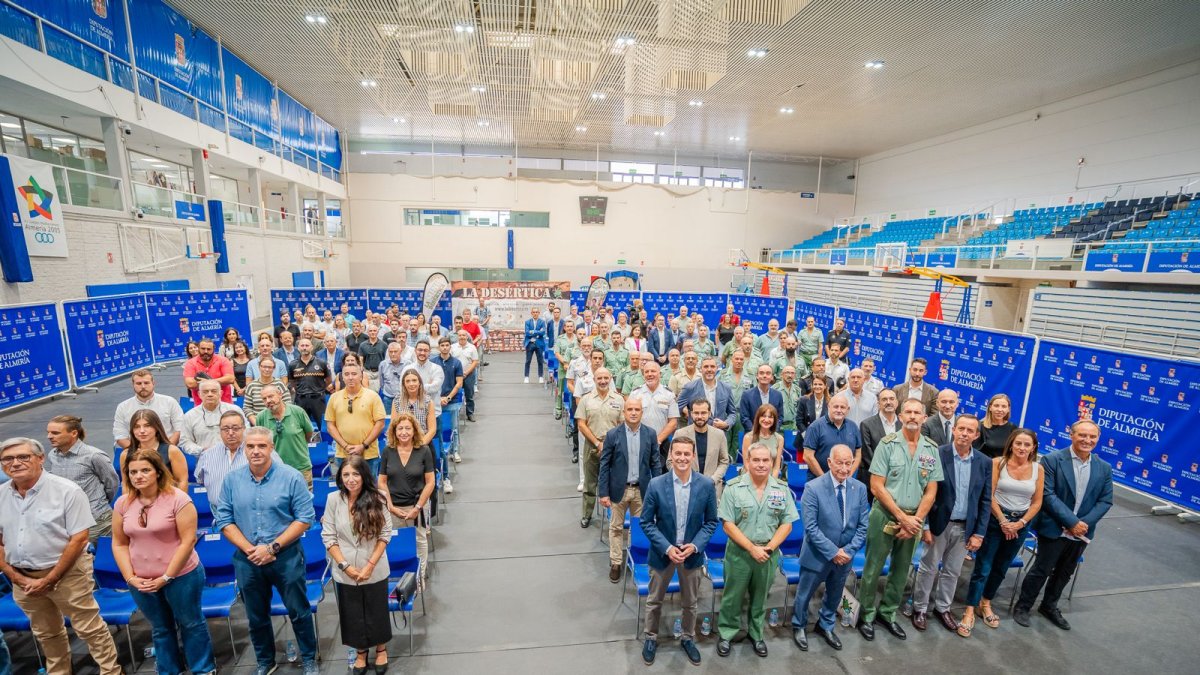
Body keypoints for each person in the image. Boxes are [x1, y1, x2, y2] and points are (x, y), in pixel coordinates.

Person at [0, 437, 122, 675]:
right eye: (7, 459)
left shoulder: (67, 491)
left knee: (90, 629)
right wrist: (16, 577)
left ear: (40, 458)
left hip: (67, 574)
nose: (15, 463)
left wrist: (50, 579)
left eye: (23, 457)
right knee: (46, 633)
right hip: (22, 578)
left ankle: (111, 671)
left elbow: (79, 540)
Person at [213, 427, 318, 675]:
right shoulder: (232, 480)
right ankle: (265, 661)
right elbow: (224, 520)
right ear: (244, 449)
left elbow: (305, 518)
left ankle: (309, 658)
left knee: (299, 611)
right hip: (248, 559)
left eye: (262, 446)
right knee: (256, 616)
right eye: (250, 446)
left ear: (272, 448)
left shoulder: (291, 477)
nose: (256, 451)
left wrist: (272, 547)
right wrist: (251, 550)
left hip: (286, 557)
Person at [112, 448, 216, 675]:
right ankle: (169, 670)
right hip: (141, 580)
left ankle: (203, 669)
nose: (138, 476)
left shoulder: (178, 499)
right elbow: (119, 544)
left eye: (145, 470)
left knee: (191, 623)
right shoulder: (122, 503)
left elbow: (188, 541)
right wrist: (130, 578)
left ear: (158, 472)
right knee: (160, 628)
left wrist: (167, 576)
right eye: (132, 472)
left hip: (181, 576)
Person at [1013, 419, 1113, 631]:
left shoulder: (1104, 468)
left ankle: (1049, 606)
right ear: (1072, 435)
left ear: (1098, 439)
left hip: (1082, 532)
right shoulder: (1052, 460)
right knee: (1042, 569)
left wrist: (1082, 525)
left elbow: (1105, 501)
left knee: (1065, 572)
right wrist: (1071, 522)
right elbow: (1047, 494)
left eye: (1092, 436)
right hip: (1054, 527)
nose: (1087, 440)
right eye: (1082, 435)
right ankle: (1023, 606)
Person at [856, 398, 941, 642]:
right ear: (901, 416)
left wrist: (916, 520)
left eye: (917, 412)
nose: (912, 416)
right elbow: (876, 486)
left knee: (901, 571)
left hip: (914, 519)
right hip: (885, 515)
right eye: (908, 412)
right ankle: (866, 615)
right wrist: (903, 518)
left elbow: (931, 491)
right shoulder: (887, 444)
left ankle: (888, 613)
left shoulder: (931, 449)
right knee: (873, 568)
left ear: (924, 418)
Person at [639, 437, 718, 667]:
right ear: (670, 456)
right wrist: (667, 547)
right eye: (678, 453)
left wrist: (695, 545)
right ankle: (651, 637)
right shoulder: (656, 484)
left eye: (686, 454)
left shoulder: (706, 485)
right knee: (654, 600)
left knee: (690, 603)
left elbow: (711, 522)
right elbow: (646, 522)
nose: (682, 458)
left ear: (693, 457)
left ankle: (687, 637)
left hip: (691, 554)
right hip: (663, 553)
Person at [716, 442, 798, 658]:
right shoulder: (733, 487)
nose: (761, 464)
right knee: (732, 597)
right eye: (756, 460)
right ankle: (727, 633)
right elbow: (727, 525)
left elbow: (787, 524)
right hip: (740, 553)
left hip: (768, 554)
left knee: (761, 598)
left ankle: (756, 634)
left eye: (765, 460)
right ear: (747, 462)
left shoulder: (781, 489)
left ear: (771, 462)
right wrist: (752, 548)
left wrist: (768, 548)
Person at [911, 415, 992, 634]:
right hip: (939, 524)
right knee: (928, 568)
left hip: (966, 527)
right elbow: (924, 491)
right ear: (954, 430)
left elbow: (985, 500)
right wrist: (925, 526)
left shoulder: (984, 462)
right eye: (961, 428)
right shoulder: (937, 454)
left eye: (970, 431)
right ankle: (920, 608)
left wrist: (979, 533)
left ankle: (943, 608)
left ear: (976, 435)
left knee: (953, 571)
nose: (965, 433)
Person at [961, 427, 1043, 636]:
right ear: (1011, 445)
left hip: (1020, 525)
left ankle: (985, 603)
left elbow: (1037, 502)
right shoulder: (998, 463)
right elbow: (989, 495)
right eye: (1018, 443)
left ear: (1033, 447)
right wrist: (1003, 520)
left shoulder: (1038, 469)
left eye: (1027, 444)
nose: (1022, 447)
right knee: (983, 568)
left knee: (1001, 568)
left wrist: (1020, 523)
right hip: (995, 521)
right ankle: (969, 609)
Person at [790, 444, 869, 652]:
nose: (844, 468)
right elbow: (811, 528)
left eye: (848, 463)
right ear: (829, 462)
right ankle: (799, 625)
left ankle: (825, 625)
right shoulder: (813, 488)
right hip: (817, 555)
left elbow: (863, 526)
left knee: (835, 594)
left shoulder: (860, 488)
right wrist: (834, 552)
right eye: (840, 463)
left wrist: (848, 551)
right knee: (804, 594)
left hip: (845, 557)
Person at [322, 456, 392, 674]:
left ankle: (381, 649)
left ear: (364, 475)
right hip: (345, 570)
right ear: (340, 477)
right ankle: (361, 652)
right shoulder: (333, 499)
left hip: (374, 566)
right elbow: (328, 536)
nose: (350, 479)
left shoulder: (378, 497)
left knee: (376, 609)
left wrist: (370, 565)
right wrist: (344, 565)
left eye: (355, 474)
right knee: (352, 613)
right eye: (346, 475)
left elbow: (385, 534)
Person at [598, 397, 663, 583]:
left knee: (641, 528)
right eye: (630, 409)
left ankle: (637, 559)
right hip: (618, 490)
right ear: (624, 412)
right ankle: (616, 562)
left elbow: (655, 464)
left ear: (642, 412)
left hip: (642, 490)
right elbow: (605, 465)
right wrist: (603, 493)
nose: (633, 413)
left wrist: (657, 491)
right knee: (616, 527)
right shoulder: (613, 435)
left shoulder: (650, 434)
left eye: (637, 409)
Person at [378, 412, 435, 581]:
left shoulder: (424, 451)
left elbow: (430, 482)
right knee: (395, 540)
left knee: (419, 540)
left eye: (408, 428)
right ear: (394, 431)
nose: (404, 432)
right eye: (400, 428)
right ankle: (399, 576)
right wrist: (390, 506)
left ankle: (419, 578)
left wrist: (418, 507)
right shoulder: (388, 451)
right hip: (393, 507)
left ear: (414, 430)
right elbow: (381, 482)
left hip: (417, 506)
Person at [45, 415, 119, 542]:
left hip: (96, 521)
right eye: (48, 432)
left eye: (55, 433)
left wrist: (99, 504)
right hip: (66, 520)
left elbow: (112, 484)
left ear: (74, 433)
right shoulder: (53, 455)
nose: (49, 436)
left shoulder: (94, 455)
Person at [575, 368, 624, 528]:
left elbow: (622, 424)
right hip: (592, 445)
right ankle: (586, 514)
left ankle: (615, 515)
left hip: (614, 446)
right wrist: (597, 443)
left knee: (615, 482)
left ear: (610, 379)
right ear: (594, 380)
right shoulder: (586, 399)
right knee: (590, 483)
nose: (603, 381)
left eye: (606, 378)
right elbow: (581, 424)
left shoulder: (619, 399)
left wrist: (609, 443)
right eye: (599, 378)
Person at [326, 363, 388, 478]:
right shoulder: (334, 398)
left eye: (354, 374)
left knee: (369, 487)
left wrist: (363, 445)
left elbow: (380, 424)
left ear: (361, 376)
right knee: (346, 487)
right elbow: (330, 426)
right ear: (342, 377)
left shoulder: (373, 396)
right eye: (346, 374)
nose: (350, 377)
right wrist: (345, 446)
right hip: (343, 454)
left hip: (368, 454)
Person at [257, 383, 316, 484]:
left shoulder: (298, 412)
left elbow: (309, 433)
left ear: (280, 394)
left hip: (301, 468)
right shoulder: (261, 417)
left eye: (270, 396)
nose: (268, 401)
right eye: (264, 399)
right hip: (274, 470)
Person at [673, 398, 731, 497]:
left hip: (712, 488)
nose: (699, 416)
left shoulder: (719, 435)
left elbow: (724, 461)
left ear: (709, 413)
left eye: (703, 413)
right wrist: (683, 478)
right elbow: (670, 461)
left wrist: (713, 480)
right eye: (696, 413)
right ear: (691, 414)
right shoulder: (680, 434)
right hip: (685, 487)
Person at [113, 369, 184, 449]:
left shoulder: (169, 402)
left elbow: (180, 430)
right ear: (133, 385)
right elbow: (120, 436)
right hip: (135, 452)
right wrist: (139, 453)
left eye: (146, 383)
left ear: (153, 383)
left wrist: (166, 450)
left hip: (167, 449)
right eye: (139, 383)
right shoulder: (123, 407)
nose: (143, 386)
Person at [123, 409, 190, 491]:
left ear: (156, 427)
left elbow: (182, 481)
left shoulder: (172, 451)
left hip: (167, 496)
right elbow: (126, 484)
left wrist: (180, 499)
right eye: (137, 427)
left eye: (147, 426)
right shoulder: (125, 454)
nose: (142, 431)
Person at [802, 393, 862, 481]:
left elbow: (858, 454)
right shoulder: (815, 427)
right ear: (829, 407)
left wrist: (849, 475)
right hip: (819, 481)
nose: (839, 410)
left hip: (845, 481)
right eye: (836, 407)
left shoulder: (853, 427)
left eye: (842, 407)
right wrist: (826, 480)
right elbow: (807, 456)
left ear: (848, 409)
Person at [630, 361, 679, 464]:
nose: (649, 374)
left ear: (660, 374)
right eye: (646, 372)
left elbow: (673, 422)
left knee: (661, 471)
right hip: (638, 442)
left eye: (653, 371)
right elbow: (629, 419)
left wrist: (658, 440)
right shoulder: (635, 394)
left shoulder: (669, 394)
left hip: (662, 443)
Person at [180, 379, 246, 456]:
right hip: (204, 458)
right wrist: (201, 450)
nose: (210, 394)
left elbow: (247, 433)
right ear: (199, 394)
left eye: (214, 391)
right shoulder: (190, 416)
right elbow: (185, 441)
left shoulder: (235, 410)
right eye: (205, 392)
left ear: (221, 393)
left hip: (236, 456)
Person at [676, 356, 737, 432]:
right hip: (695, 434)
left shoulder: (726, 388)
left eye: (712, 366)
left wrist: (726, 424)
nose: (709, 369)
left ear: (717, 368)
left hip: (719, 434)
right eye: (706, 367)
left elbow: (732, 413)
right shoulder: (689, 388)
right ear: (700, 369)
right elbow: (675, 410)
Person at [858, 388, 901, 485]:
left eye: (891, 399)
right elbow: (867, 455)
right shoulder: (866, 425)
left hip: (898, 479)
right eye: (884, 399)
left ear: (897, 403)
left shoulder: (904, 424)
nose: (888, 402)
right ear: (878, 404)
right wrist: (885, 474)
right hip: (873, 479)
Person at [289, 337, 333, 431]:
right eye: (302, 345)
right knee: (300, 426)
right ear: (298, 348)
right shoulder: (292, 364)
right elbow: (292, 381)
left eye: (307, 345)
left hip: (318, 399)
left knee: (323, 427)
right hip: (301, 399)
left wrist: (320, 388)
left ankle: (323, 441)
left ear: (312, 347)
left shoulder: (321, 363)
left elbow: (328, 379)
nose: (304, 348)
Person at [392, 369, 438, 449]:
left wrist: (419, 446)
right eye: (408, 381)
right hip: (403, 445)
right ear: (404, 384)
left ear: (419, 382)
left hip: (423, 445)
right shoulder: (397, 401)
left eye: (414, 380)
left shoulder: (428, 402)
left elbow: (432, 430)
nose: (411, 384)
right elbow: (393, 427)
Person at [183, 337, 235, 405]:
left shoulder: (223, 360)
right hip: (201, 406)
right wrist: (217, 382)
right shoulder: (190, 363)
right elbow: (190, 384)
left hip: (224, 404)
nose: (206, 351)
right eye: (203, 349)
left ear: (213, 349)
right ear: (198, 348)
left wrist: (207, 382)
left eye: (209, 349)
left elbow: (230, 379)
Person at [243, 356, 293, 421]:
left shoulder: (279, 384)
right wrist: (256, 423)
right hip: (258, 421)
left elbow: (288, 403)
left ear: (273, 369)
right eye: (264, 367)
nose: (267, 369)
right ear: (259, 367)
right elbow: (247, 408)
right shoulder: (251, 386)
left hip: (279, 421)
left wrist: (281, 421)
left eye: (270, 367)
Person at [739, 364, 785, 433]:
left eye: (768, 373)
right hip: (752, 434)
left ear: (772, 377)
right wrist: (755, 432)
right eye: (761, 373)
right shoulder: (747, 395)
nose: (764, 376)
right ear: (757, 376)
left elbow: (780, 417)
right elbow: (744, 418)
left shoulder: (778, 395)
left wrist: (772, 432)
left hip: (772, 434)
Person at [742, 404, 785, 478]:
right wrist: (758, 481)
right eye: (764, 416)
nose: (766, 420)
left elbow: (776, 466)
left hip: (770, 478)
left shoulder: (779, 439)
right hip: (750, 478)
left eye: (770, 417)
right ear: (758, 418)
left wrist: (772, 482)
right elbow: (746, 464)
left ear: (774, 420)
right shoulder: (748, 437)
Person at [974, 393, 1016, 459]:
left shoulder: (1013, 428)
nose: (1000, 410)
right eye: (996, 406)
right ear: (990, 407)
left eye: (1004, 406)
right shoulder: (979, 426)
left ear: (1008, 409)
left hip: (1002, 464)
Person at [409, 341, 446, 413]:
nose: (422, 353)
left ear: (429, 352)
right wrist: (427, 385)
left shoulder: (437, 369)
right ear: (415, 351)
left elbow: (435, 387)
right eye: (420, 350)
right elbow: (403, 388)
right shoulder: (408, 369)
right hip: (413, 413)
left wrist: (413, 387)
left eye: (425, 350)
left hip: (433, 412)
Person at [453, 329, 480, 422]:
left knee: (469, 395)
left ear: (467, 337)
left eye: (464, 335)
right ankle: (456, 413)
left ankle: (470, 413)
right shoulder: (452, 347)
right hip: (456, 375)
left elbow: (475, 361)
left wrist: (466, 372)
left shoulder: (472, 347)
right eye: (460, 335)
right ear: (457, 337)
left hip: (469, 374)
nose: (462, 337)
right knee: (455, 394)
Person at [357, 325, 389, 391]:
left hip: (380, 372)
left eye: (374, 331)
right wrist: (361, 368)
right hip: (367, 372)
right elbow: (360, 358)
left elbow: (387, 359)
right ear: (368, 332)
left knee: (380, 391)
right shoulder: (362, 345)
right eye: (370, 331)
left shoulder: (384, 345)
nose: (372, 332)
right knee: (368, 391)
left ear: (377, 332)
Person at [773, 365, 805, 431]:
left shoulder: (797, 390)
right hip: (778, 427)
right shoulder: (774, 389)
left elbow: (799, 410)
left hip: (793, 427)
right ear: (781, 375)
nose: (790, 375)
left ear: (795, 375)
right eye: (787, 372)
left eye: (792, 373)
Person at [523, 307, 548, 383]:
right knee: (528, 361)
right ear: (531, 313)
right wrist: (537, 332)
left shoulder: (542, 322)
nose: (535, 313)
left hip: (539, 343)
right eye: (533, 312)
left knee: (540, 361)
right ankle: (526, 377)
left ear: (539, 313)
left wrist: (533, 331)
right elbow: (527, 333)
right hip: (530, 343)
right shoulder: (527, 322)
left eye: (536, 312)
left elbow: (543, 332)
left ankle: (540, 377)